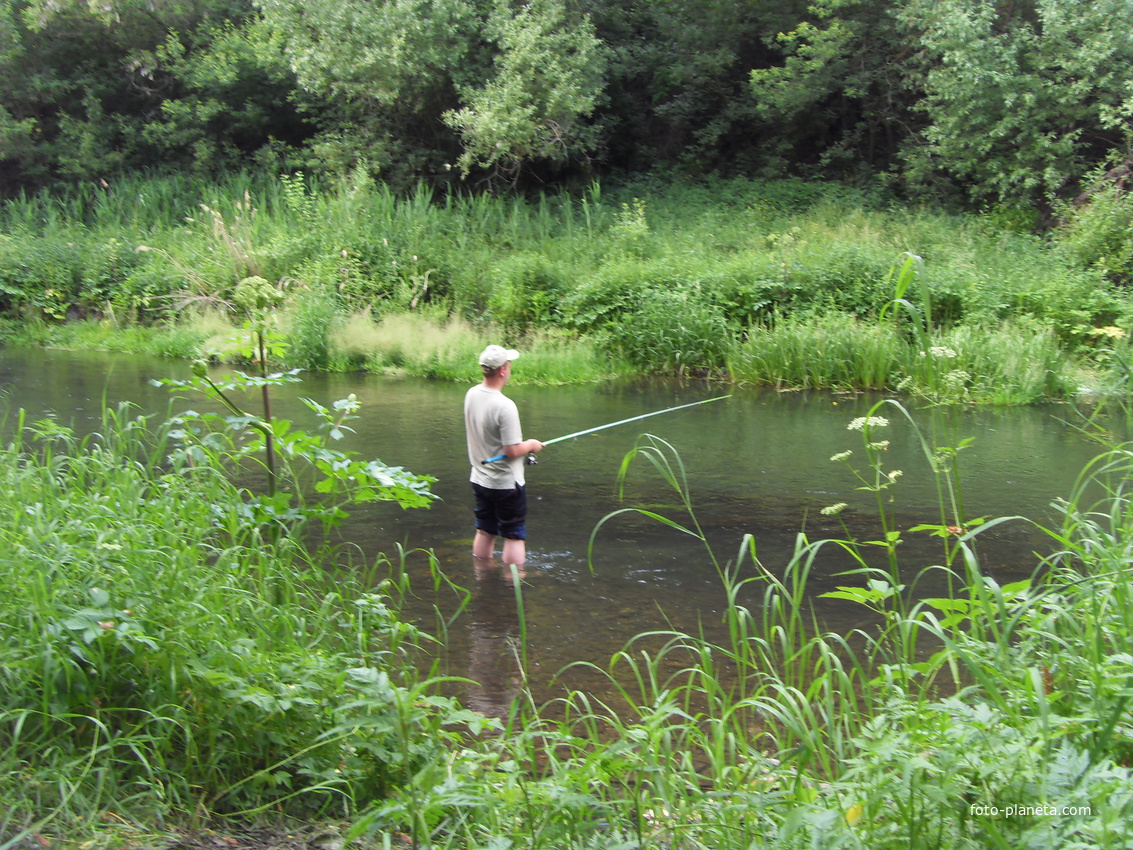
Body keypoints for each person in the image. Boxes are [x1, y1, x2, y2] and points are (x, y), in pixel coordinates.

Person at [464, 344, 544, 566]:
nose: (510, 369)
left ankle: (482, 576)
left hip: (479, 478)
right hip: (506, 484)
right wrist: (531, 445)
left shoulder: (471, 394)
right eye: (509, 365)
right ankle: (512, 587)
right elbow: (512, 450)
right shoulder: (505, 406)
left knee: (484, 529)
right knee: (514, 535)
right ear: (502, 370)